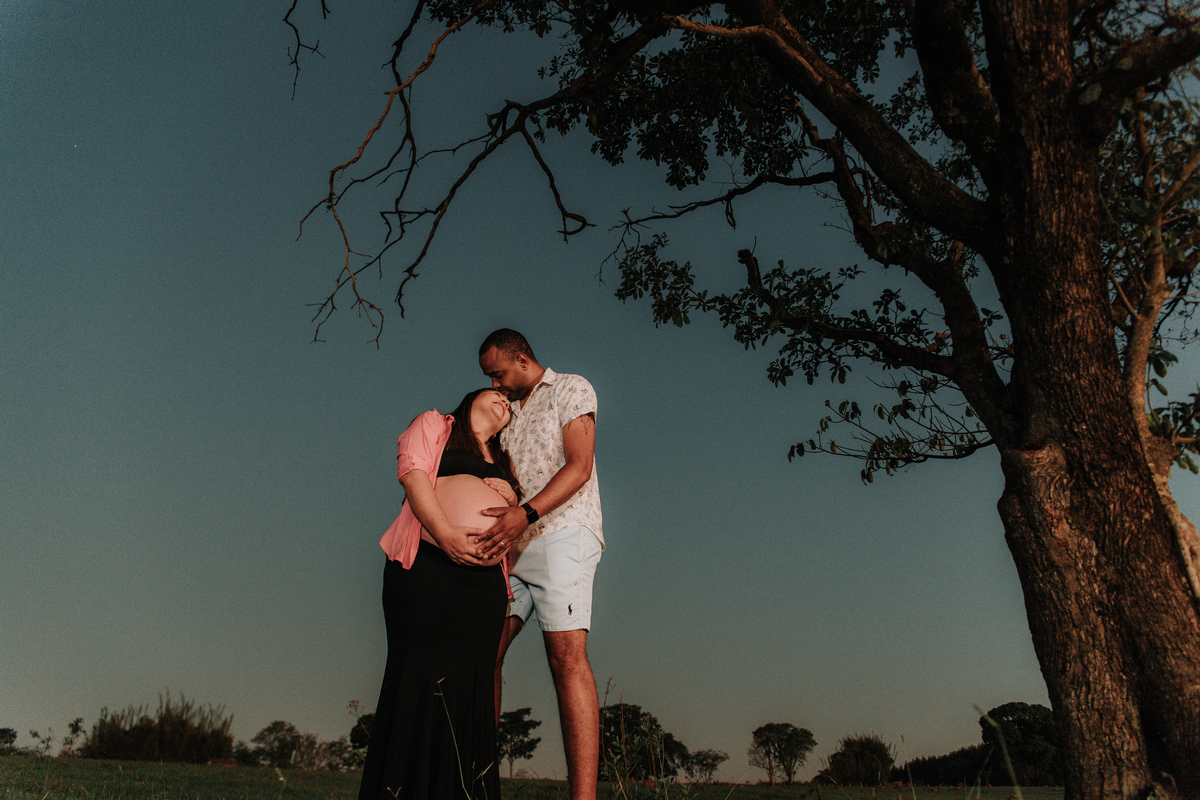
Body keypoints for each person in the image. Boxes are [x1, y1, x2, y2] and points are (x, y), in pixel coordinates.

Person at [359, 388, 522, 800]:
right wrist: (446, 534)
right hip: (427, 570)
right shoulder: (436, 425)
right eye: (495, 390)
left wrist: (512, 507)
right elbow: (413, 475)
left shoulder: (504, 464)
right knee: (419, 675)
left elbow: (516, 538)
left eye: (509, 400)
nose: (504, 398)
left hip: (483, 591)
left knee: (471, 689)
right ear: (470, 399)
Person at [475, 328, 604, 800]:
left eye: (499, 373)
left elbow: (579, 465)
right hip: (513, 548)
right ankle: (480, 785)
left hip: (563, 533)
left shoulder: (572, 387)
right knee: (482, 652)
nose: (495, 384)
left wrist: (524, 514)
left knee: (565, 658)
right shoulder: (505, 414)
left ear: (523, 358)